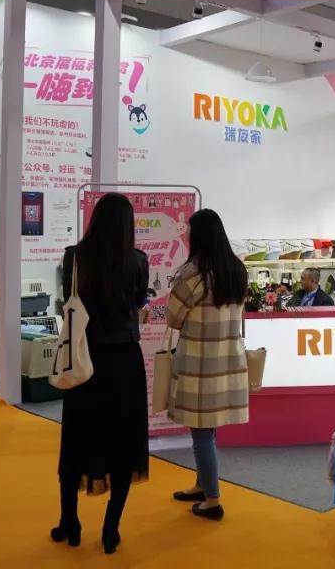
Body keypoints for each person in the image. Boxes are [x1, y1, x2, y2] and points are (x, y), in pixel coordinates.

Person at [55, 193, 150, 554]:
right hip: (125, 361)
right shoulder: (137, 261)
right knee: (123, 442)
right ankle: (111, 528)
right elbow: (138, 301)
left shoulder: (74, 257)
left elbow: (69, 301)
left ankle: (70, 522)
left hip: (84, 360)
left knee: (76, 439)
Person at [167, 208, 250, 521]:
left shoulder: (193, 273)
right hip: (228, 361)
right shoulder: (236, 270)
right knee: (208, 430)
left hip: (199, 364)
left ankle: (212, 499)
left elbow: (173, 317)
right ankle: (202, 485)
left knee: (201, 433)